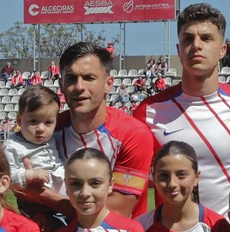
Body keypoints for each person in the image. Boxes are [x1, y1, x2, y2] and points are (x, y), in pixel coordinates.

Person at [135, 3, 230, 215]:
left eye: (206, 38)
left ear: (223, 50)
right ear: (178, 50)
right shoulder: (148, 111)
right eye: (188, 39)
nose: (196, 45)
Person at [42, 41, 153, 218]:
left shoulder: (133, 135)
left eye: (89, 78)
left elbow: (118, 210)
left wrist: (45, 198)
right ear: (61, 84)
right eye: (71, 78)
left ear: (108, 83)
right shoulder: (47, 131)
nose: (79, 87)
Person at [3, 85, 66, 232]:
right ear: (19, 120)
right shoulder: (12, 146)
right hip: (34, 206)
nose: (40, 129)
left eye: (48, 123)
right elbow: (5, 176)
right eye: (33, 122)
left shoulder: (52, 139)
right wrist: (29, 175)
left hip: (61, 201)